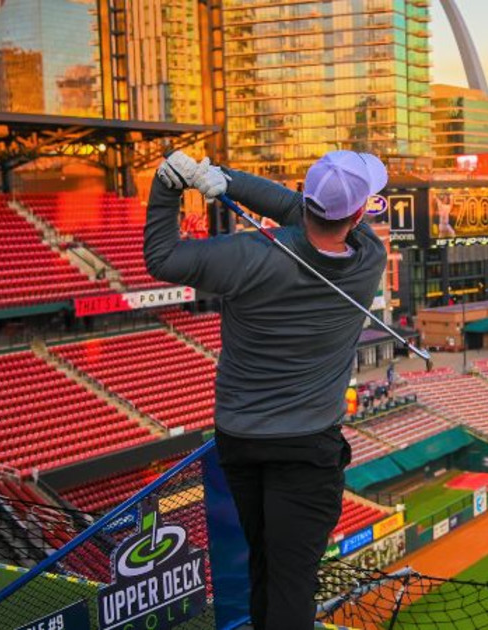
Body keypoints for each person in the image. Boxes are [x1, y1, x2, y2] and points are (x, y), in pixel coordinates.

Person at [145, 150, 388, 629]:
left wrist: (173, 185)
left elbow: (162, 257)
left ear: (306, 194)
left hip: (241, 439)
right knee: (292, 582)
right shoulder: (369, 258)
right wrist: (226, 183)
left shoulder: (249, 254)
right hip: (306, 447)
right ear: (358, 214)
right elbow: (307, 212)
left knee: (264, 565)